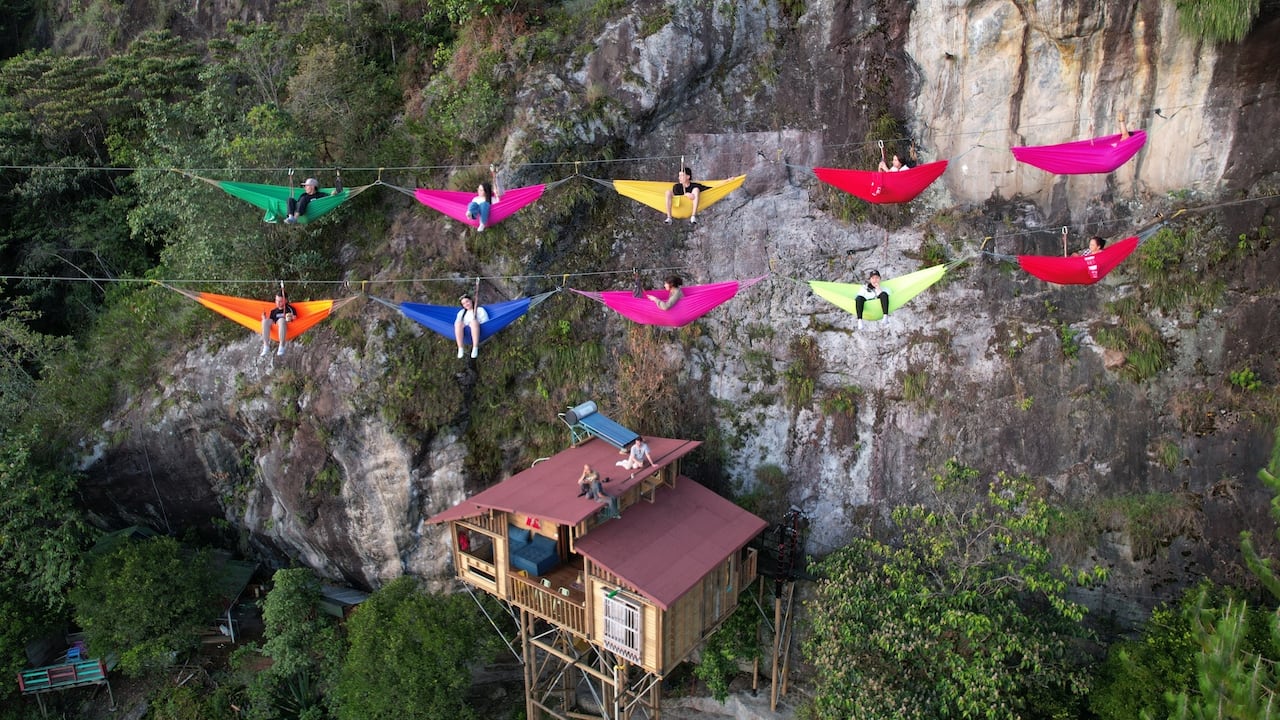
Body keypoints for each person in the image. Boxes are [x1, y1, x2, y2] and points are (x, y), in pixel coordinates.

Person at [454, 294, 489, 359]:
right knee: (458, 324)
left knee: (473, 322)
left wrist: (475, 322)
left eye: (467, 301)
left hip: (477, 330)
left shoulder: (479, 310)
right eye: (464, 304)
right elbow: (457, 323)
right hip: (465, 331)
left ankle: (475, 347)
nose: (466, 304)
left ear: (471, 301)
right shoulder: (461, 312)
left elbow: (486, 322)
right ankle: (460, 348)